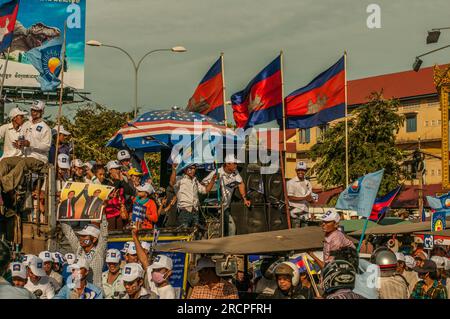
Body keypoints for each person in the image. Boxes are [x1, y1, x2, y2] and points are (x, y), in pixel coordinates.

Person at [0, 100, 52, 194]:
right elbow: (21, 137)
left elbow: (47, 147)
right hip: (24, 156)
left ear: (42, 111)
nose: (33, 112)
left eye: (36, 110)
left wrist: (30, 144)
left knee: (24, 162)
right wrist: (19, 143)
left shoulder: (45, 128)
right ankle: (1, 182)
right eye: (32, 110)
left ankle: (6, 184)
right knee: (5, 161)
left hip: (39, 159)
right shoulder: (26, 124)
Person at [201, 154, 251, 236]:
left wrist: (245, 199)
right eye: (234, 163)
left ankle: (229, 247)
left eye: (236, 163)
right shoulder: (217, 172)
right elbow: (202, 184)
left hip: (225, 207)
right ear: (227, 164)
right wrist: (213, 183)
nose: (236, 165)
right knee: (219, 230)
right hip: (214, 208)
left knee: (229, 229)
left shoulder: (235, 172)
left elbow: (240, 183)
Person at [60, 217, 108, 288]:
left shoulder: (99, 251)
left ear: (94, 239)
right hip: (79, 289)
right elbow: (69, 233)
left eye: (84, 236)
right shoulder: (78, 249)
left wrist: (103, 216)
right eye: (81, 235)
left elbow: (104, 236)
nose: (81, 238)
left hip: (95, 292)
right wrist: (62, 216)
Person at [170, 163, 217, 228]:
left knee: (195, 234)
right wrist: (174, 170)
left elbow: (205, 190)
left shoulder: (195, 181)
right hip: (184, 211)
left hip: (195, 211)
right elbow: (172, 183)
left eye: (194, 168)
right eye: (190, 168)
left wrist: (213, 179)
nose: (192, 170)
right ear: (185, 169)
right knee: (184, 233)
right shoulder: (180, 179)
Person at [286, 161, 316, 228]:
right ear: (296, 171)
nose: (300, 172)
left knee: (304, 234)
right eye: (299, 170)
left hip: (305, 212)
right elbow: (290, 197)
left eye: (302, 170)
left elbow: (309, 198)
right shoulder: (291, 182)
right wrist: (304, 198)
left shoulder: (308, 183)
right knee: (295, 234)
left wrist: (312, 212)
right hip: (295, 213)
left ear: (305, 171)